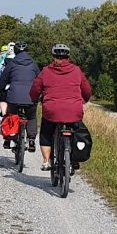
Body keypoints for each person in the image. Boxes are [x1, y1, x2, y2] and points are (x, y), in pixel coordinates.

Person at [29, 43, 92, 171]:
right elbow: (86, 89)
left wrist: (34, 99)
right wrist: (83, 100)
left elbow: (35, 89)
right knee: (77, 131)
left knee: (46, 133)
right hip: (73, 110)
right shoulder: (76, 70)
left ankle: (47, 161)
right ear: (68, 57)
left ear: (53, 56)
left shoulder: (46, 71)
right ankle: (74, 159)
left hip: (52, 110)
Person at [0, 41, 40, 154]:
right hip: (30, 97)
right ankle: (31, 140)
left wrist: (0, 90)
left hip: (14, 96)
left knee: (11, 114)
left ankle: (8, 139)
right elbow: (39, 80)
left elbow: (3, 79)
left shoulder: (11, 64)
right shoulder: (33, 64)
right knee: (31, 116)